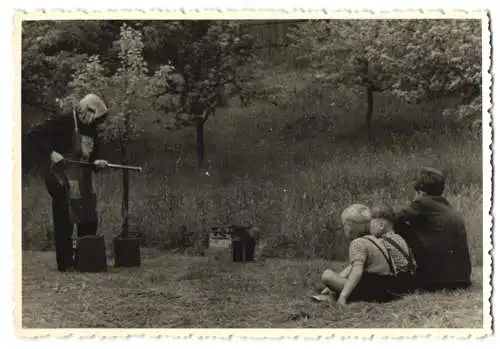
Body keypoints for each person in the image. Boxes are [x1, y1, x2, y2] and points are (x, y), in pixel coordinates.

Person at [26, 94, 110, 272]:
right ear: (87, 111)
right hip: (59, 174)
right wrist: (51, 152)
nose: (97, 124)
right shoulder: (64, 120)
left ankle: (85, 258)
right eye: (96, 118)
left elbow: (93, 155)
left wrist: (99, 162)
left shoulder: (91, 128)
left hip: (82, 177)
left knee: (89, 214)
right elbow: (34, 135)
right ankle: (65, 262)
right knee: (65, 216)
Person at [394, 167, 472, 292]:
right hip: (462, 278)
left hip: (436, 280)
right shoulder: (446, 205)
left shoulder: (422, 202)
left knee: (400, 225)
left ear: (421, 192)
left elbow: (395, 218)